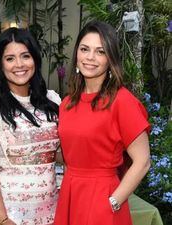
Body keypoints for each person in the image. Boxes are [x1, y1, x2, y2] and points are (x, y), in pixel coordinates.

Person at [54, 20, 150, 225]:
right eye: (84, 49)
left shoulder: (122, 101)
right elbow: (72, 153)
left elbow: (143, 161)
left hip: (104, 198)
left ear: (110, 59)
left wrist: (114, 202)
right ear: (77, 54)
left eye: (100, 51)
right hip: (70, 194)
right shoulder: (67, 104)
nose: (90, 57)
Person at [0, 27, 61, 225]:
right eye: (10, 58)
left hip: (52, 210)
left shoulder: (52, 100)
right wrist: (2, 219)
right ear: (0, 64)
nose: (19, 65)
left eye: (25, 56)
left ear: (35, 59)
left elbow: (62, 153)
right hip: (10, 214)